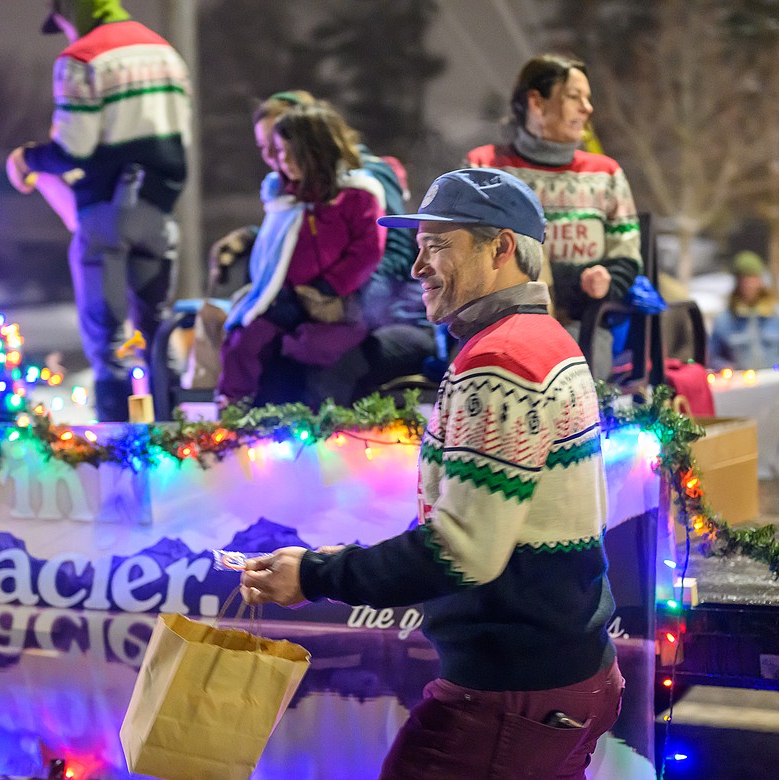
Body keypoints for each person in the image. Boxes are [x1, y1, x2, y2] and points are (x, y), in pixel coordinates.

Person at [241, 168, 624, 780]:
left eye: (438, 246)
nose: (418, 266)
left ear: (501, 248)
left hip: (508, 695)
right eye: (418, 247)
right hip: (558, 679)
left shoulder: (501, 360)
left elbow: (462, 551)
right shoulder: (537, 338)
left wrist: (315, 573)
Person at [5, 0, 191, 422]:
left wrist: (27, 160)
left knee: (108, 340)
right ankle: (182, 436)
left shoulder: (81, 58)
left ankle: (119, 449)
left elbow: (75, 146)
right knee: (156, 329)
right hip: (159, 209)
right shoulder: (165, 52)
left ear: (70, 11)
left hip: (107, 210)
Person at [210, 91, 434, 405]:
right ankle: (241, 416)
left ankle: (318, 442)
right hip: (305, 302)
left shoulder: (363, 184)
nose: (276, 159)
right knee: (251, 341)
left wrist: (337, 296)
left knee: (324, 363)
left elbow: (387, 254)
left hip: (383, 316)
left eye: (282, 148)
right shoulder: (293, 191)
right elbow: (294, 240)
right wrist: (252, 239)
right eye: (267, 149)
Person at [467, 53, 642, 380]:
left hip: (582, 323)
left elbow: (626, 257)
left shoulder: (605, 173)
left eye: (587, 99)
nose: (587, 108)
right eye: (574, 97)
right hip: (497, 322)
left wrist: (607, 280)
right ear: (537, 103)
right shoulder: (485, 167)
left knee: (564, 374)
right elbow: (470, 251)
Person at [707, 251, 779, 371]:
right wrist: (728, 369)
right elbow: (713, 357)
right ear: (737, 281)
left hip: (774, 383)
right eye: (744, 279)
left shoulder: (777, 315)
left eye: (753, 278)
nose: (748, 284)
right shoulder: (724, 320)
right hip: (741, 386)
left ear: (760, 280)